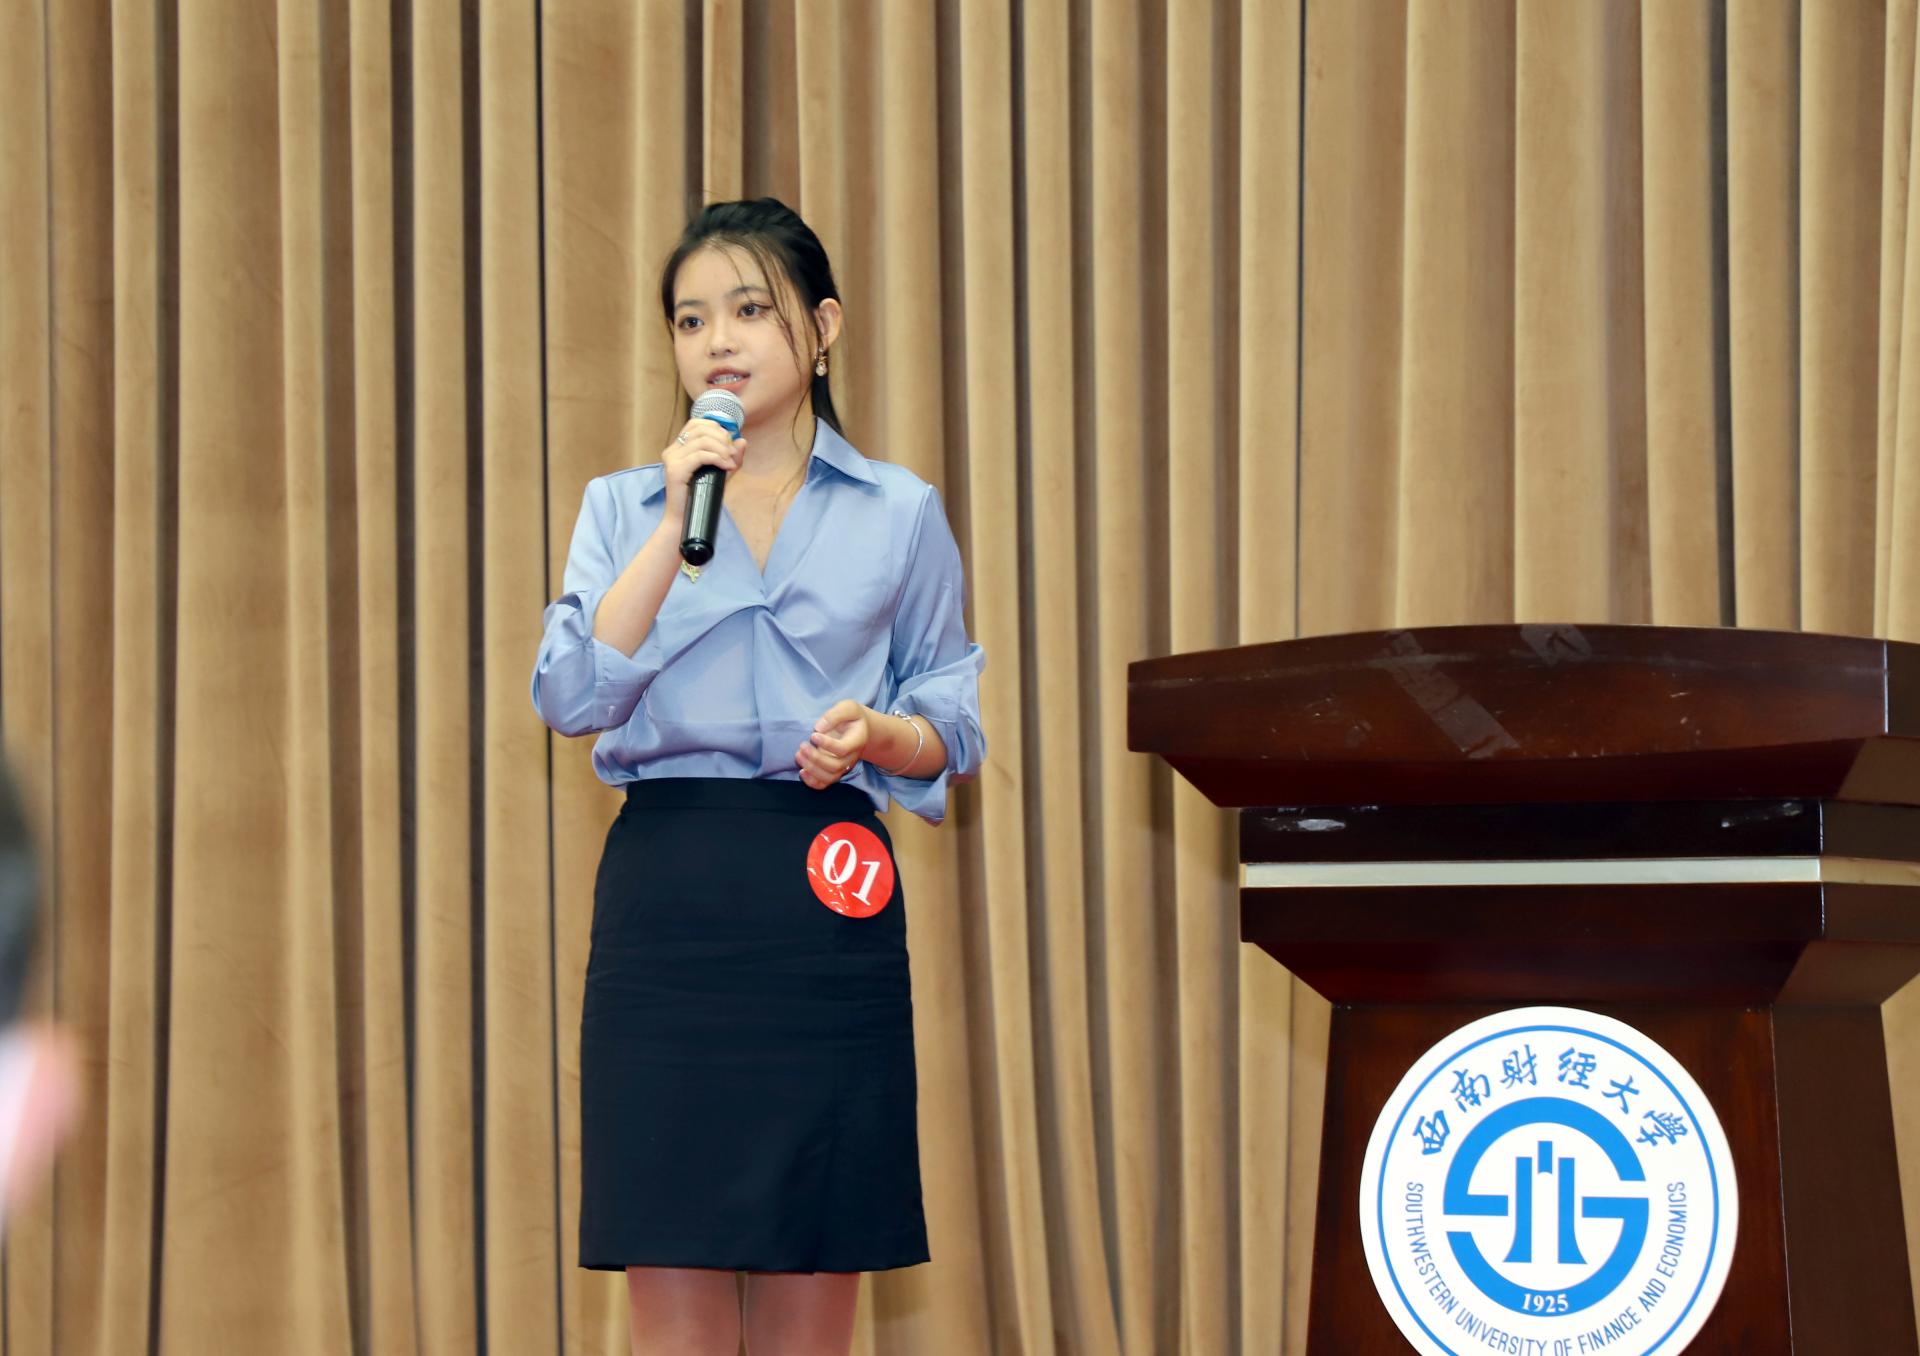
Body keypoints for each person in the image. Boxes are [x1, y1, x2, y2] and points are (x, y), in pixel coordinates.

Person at [531, 198, 985, 1356]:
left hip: (828, 891)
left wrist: (880, 736)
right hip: (671, 898)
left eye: (747, 310)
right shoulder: (624, 505)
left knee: (811, 1276)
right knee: (673, 1283)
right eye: (690, 321)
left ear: (821, 328)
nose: (717, 341)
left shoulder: (900, 511)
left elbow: (952, 723)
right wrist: (670, 515)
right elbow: (571, 698)